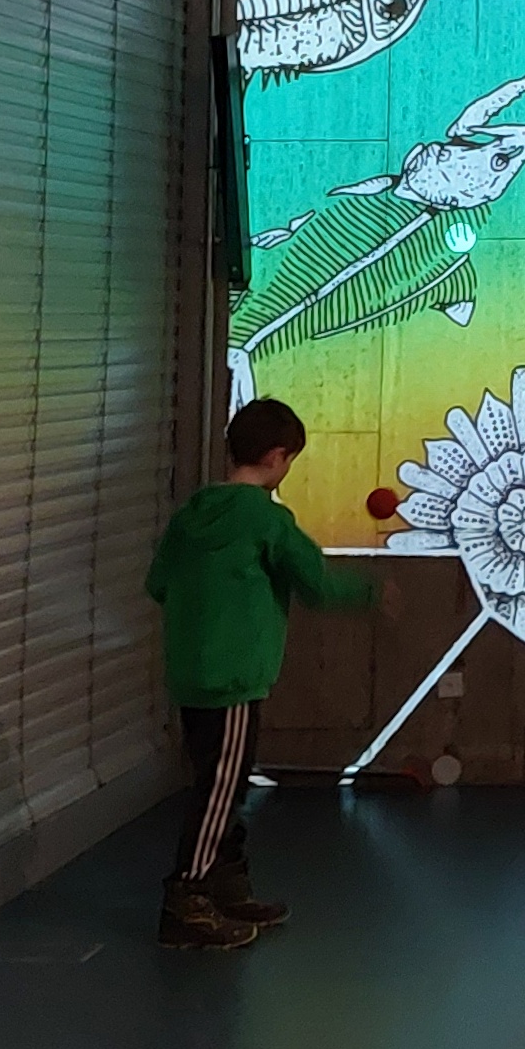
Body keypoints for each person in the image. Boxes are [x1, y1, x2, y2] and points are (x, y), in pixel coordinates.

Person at [143, 396, 380, 948]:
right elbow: (317, 584)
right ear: (277, 457)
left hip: (191, 674)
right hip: (235, 679)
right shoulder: (267, 519)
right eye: (290, 459)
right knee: (220, 790)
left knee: (219, 782)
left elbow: (158, 584)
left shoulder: (190, 516)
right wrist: (371, 593)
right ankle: (187, 899)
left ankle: (226, 886)